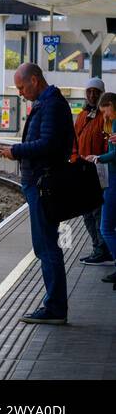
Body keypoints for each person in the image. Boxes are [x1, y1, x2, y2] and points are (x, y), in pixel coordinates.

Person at [0, 63, 73, 324]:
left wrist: (16, 151)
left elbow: (47, 144)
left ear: (35, 80)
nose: (20, 92)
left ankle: (55, 307)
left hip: (42, 184)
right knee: (45, 245)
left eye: (21, 87)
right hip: (39, 182)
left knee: (46, 246)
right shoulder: (47, 104)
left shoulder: (51, 106)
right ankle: (54, 305)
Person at [73, 77, 113, 265]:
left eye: (96, 92)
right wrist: (74, 159)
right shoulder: (82, 116)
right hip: (82, 169)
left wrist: (100, 160)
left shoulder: (105, 117)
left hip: (99, 170)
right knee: (86, 211)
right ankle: (97, 245)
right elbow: (74, 139)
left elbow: (109, 145)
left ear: (101, 94)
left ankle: (102, 249)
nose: (92, 95)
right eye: (89, 91)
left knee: (97, 211)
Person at [84, 92, 116, 286]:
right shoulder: (112, 123)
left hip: (114, 178)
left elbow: (114, 155)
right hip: (112, 176)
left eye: (107, 111)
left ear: (111, 105)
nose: (106, 116)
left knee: (106, 227)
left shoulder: (115, 123)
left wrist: (98, 158)